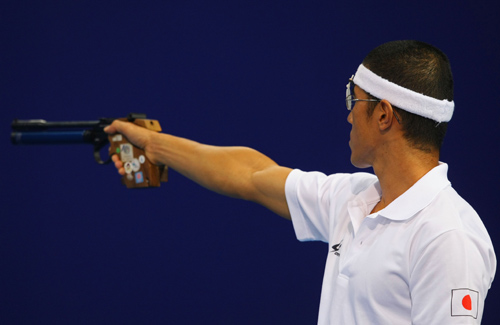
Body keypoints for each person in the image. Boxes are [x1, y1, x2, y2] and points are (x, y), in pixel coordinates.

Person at [104, 40, 496, 324]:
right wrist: (153, 145)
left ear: (383, 115)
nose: (347, 117)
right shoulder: (353, 197)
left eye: (353, 101)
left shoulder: (447, 238)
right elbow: (249, 174)